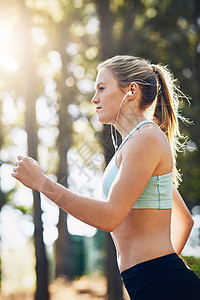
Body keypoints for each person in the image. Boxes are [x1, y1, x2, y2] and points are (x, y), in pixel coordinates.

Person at [11, 55, 200, 300]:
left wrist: (42, 183)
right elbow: (185, 219)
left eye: (101, 88)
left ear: (131, 90)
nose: (94, 98)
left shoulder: (146, 137)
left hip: (163, 283)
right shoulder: (134, 144)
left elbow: (110, 216)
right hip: (151, 281)